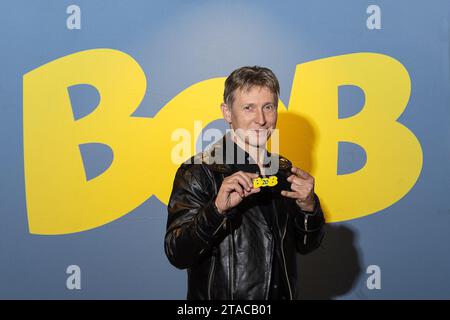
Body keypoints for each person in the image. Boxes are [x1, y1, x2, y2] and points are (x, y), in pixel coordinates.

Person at [164, 66, 325, 300]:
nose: (261, 120)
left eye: (268, 107)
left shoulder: (284, 170)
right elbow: (177, 254)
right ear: (227, 112)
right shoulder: (199, 171)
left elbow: (305, 246)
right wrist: (217, 210)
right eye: (248, 107)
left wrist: (309, 207)